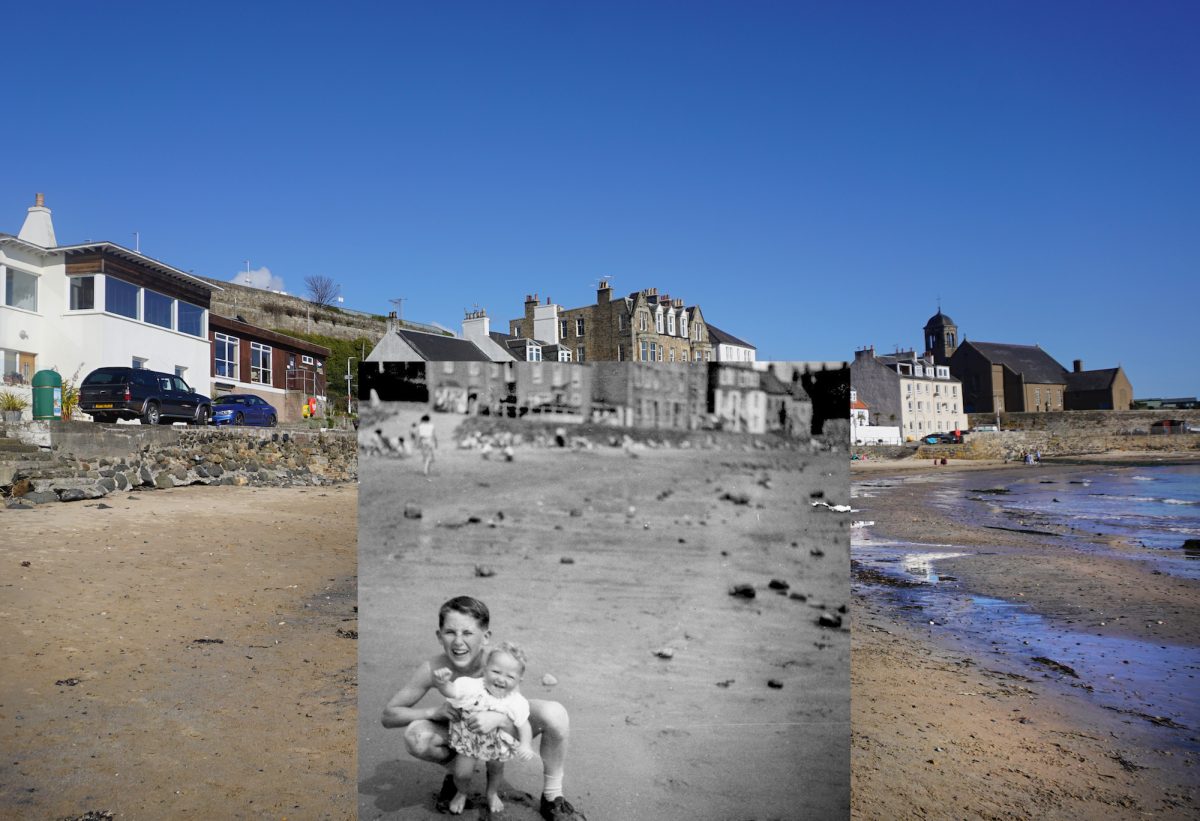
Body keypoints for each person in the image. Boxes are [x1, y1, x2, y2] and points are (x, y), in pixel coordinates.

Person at [382, 596, 584, 820]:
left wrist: (498, 718)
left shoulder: (499, 663)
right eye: (450, 632)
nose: (458, 641)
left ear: (485, 637)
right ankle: (457, 775)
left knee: (555, 714)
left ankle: (552, 796)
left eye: (467, 633)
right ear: (439, 636)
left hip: (503, 732)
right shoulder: (434, 668)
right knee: (415, 736)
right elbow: (389, 715)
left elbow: (516, 712)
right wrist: (432, 712)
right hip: (461, 734)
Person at [432, 642, 536, 815]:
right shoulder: (471, 687)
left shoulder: (516, 701)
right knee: (461, 773)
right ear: (485, 669)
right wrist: (442, 683)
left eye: (510, 677)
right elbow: (452, 691)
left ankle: (492, 793)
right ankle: (462, 791)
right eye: (496, 672)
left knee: (496, 770)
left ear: (519, 680)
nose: (501, 679)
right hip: (469, 741)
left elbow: (524, 725)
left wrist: (526, 744)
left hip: (497, 743)